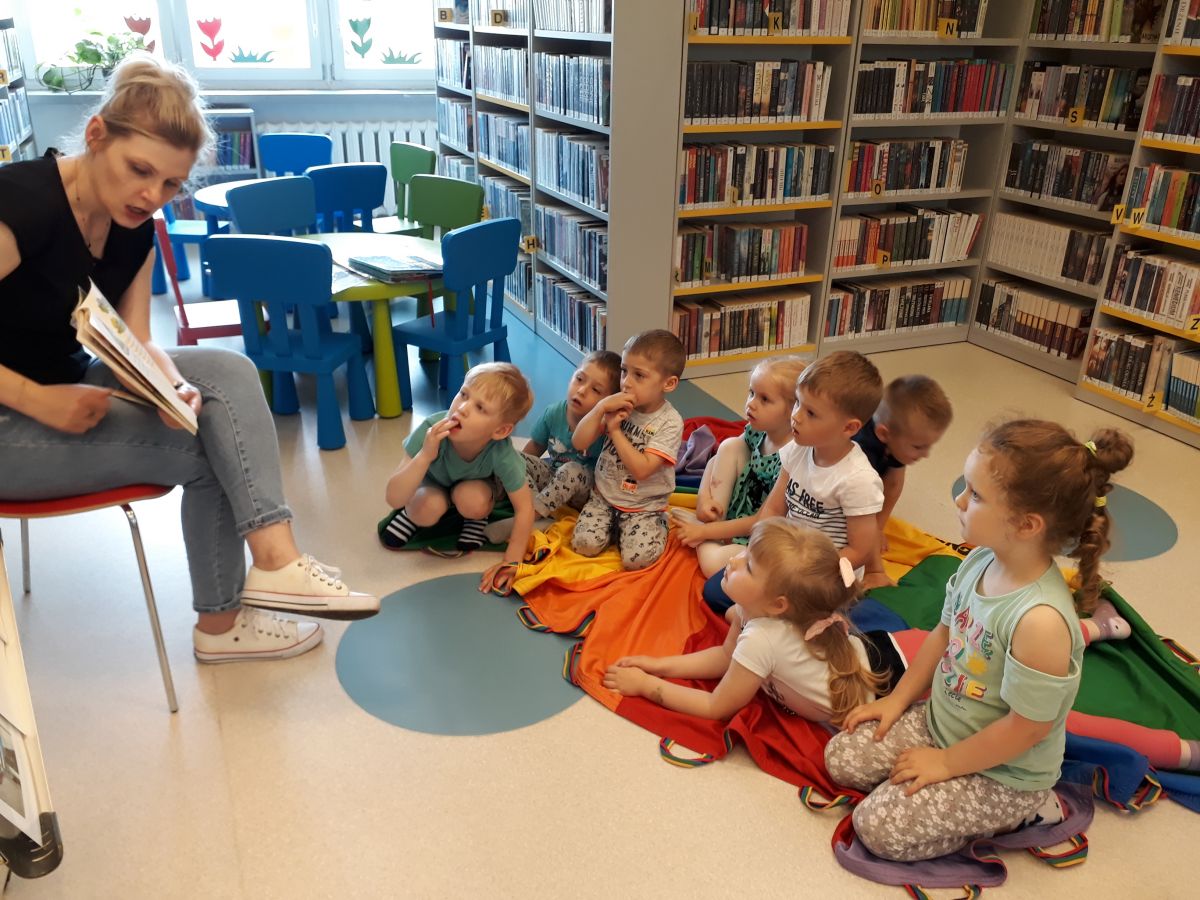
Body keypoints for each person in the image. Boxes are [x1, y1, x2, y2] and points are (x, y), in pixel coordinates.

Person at [0, 54, 377, 665]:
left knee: (228, 374)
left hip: (66, 379)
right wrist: (38, 400)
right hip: (14, 415)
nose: (152, 196)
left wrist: (171, 384)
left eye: (171, 184)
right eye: (139, 170)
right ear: (96, 135)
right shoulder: (20, 207)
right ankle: (222, 624)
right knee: (211, 451)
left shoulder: (133, 225)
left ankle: (277, 561)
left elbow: (137, 337)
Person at [823, 421, 1133, 863]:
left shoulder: (1041, 622)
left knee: (877, 827)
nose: (959, 501)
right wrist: (897, 701)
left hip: (1002, 774)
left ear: (1026, 524)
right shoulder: (980, 560)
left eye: (976, 495)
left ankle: (1027, 814)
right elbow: (942, 635)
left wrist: (946, 765)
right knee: (842, 758)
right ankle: (931, 781)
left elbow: (1027, 728)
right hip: (940, 726)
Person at [603, 518, 897, 725]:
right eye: (744, 552)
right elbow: (725, 657)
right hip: (868, 659)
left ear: (778, 604)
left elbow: (715, 706)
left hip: (886, 685)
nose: (733, 560)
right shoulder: (755, 609)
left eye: (749, 566)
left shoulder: (762, 638)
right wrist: (659, 665)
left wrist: (646, 685)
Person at [695, 350, 885, 612]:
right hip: (787, 556)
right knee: (718, 590)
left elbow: (860, 550)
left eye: (811, 413)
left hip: (822, 576)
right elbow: (773, 509)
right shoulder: (797, 449)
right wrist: (757, 552)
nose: (796, 416)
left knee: (775, 612)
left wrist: (804, 574)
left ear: (849, 428)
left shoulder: (858, 480)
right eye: (797, 404)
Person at [382, 362, 535, 595]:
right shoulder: (430, 429)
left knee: (473, 501)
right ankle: (410, 516)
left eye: (480, 408)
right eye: (464, 394)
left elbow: (525, 508)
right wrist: (425, 455)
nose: (462, 408)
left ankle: (476, 519)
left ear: (500, 431)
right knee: (425, 508)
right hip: (432, 487)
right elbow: (393, 498)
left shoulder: (501, 452)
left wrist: (511, 562)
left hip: (473, 489)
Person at [670, 356, 806, 577]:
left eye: (764, 399)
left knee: (713, 566)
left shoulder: (792, 457)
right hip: (733, 516)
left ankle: (706, 537)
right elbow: (714, 461)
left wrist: (703, 532)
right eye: (751, 393)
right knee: (730, 445)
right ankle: (712, 522)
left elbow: (762, 521)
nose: (751, 403)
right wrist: (705, 499)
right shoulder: (758, 431)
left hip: (760, 532)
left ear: (793, 410)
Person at [570, 330, 686, 570]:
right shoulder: (617, 401)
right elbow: (579, 443)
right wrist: (600, 408)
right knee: (583, 545)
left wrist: (614, 431)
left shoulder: (671, 422)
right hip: (603, 497)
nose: (626, 382)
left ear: (669, 383)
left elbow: (642, 470)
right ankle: (614, 528)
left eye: (639, 375)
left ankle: (657, 524)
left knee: (638, 561)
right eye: (624, 371)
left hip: (644, 507)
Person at [853, 375, 953, 589]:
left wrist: (879, 528)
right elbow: (859, 510)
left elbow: (893, 484)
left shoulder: (896, 439)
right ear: (884, 434)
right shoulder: (859, 455)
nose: (926, 454)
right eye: (918, 447)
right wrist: (873, 568)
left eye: (929, 446)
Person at [523, 350, 621, 519]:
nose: (581, 391)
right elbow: (535, 446)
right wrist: (518, 466)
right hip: (552, 478)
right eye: (579, 379)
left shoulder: (606, 427)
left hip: (585, 493)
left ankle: (532, 515)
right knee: (515, 458)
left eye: (596, 390)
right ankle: (526, 503)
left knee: (571, 470)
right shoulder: (554, 412)